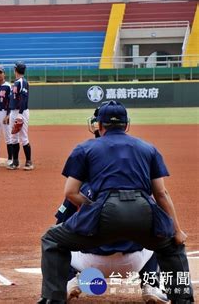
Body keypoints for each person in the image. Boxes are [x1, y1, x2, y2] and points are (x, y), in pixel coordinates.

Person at [38, 101, 194, 304]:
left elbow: (70, 192)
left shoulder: (85, 148)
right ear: (126, 125)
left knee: (52, 239)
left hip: (103, 217)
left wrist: (93, 209)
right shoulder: (148, 149)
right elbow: (161, 194)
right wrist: (177, 231)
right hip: (142, 214)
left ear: (99, 125)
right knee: (171, 245)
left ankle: (53, 298)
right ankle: (180, 298)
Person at [7, 61, 33, 170]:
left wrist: (20, 115)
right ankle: (15, 162)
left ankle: (29, 162)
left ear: (15, 70)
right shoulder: (16, 82)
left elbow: (24, 98)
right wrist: (10, 114)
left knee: (23, 137)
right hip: (14, 112)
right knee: (13, 137)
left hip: (21, 112)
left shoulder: (22, 82)